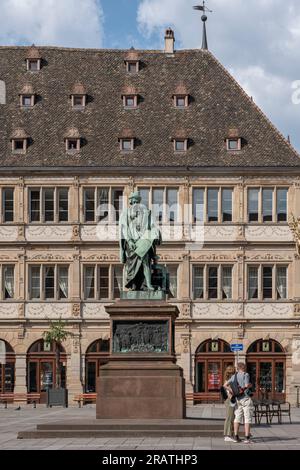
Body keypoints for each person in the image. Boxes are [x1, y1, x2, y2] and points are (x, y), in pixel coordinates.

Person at [119, 191, 161, 291]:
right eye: (134, 200)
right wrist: (129, 241)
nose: (135, 202)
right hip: (132, 242)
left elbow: (152, 226)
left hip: (143, 240)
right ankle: (133, 285)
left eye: (135, 200)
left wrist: (155, 234)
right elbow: (124, 228)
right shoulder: (126, 212)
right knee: (132, 264)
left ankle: (149, 285)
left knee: (146, 263)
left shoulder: (146, 211)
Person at [224, 362, 254, 444]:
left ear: (237, 368)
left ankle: (236, 436)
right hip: (245, 398)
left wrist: (233, 391)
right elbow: (246, 384)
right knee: (247, 418)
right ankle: (247, 438)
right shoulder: (246, 374)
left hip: (238, 399)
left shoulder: (234, 376)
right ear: (244, 367)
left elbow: (225, 385)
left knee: (237, 417)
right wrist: (249, 385)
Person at [223, 365, 236, 442]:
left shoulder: (227, 379)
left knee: (231, 417)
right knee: (229, 417)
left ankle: (230, 434)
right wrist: (232, 390)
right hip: (230, 400)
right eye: (234, 372)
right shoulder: (229, 380)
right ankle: (227, 435)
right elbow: (225, 387)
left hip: (230, 399)